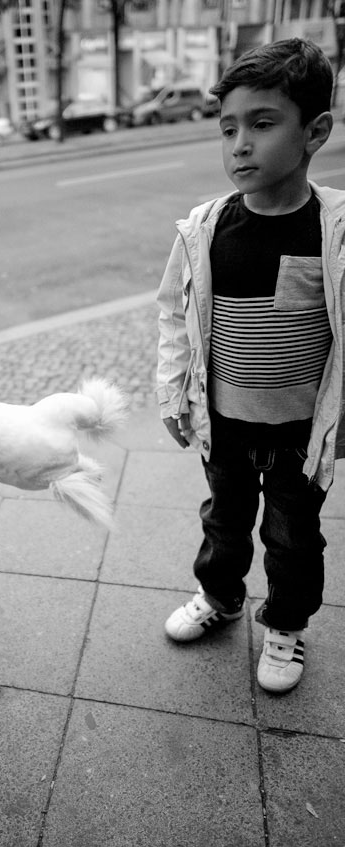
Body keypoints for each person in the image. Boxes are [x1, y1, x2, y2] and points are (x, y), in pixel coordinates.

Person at [155, 38, 345, 694]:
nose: (240, 144)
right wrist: (172, 394)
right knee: (224, 521)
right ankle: (222, 596)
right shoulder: (205, 229)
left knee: (294, 537)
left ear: (315, 130)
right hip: (227, 427)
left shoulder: (334, 230)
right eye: (229, 128)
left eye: (263, 124)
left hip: (300, 431)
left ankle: (286, 624)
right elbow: (173, 318)